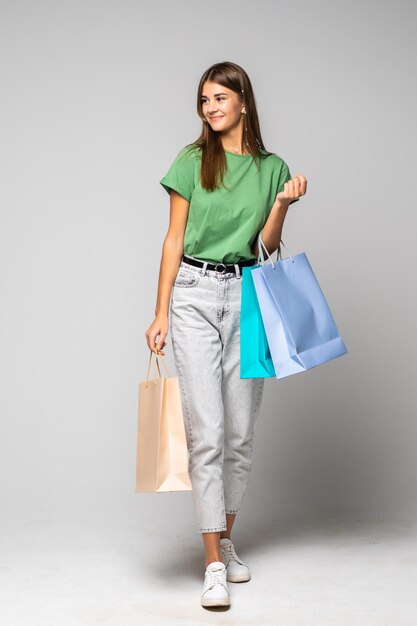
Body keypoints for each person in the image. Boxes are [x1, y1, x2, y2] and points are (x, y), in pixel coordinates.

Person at [145, 61, 307, 609]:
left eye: (220, 97)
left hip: (249, 299)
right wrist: (160, 310)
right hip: (193, 294)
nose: (211, 107)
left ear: (243, 102)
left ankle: (226, 537)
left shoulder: (272, 168)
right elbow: (172, 240)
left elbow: (266, 248)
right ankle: (213, 561)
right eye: (204, 100)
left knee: (239, 436)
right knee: (207, 433)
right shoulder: (192, 161)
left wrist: (282, 203)